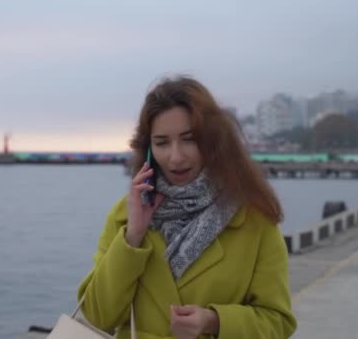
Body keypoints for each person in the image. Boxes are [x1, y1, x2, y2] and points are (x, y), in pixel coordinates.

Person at [77, 76, 297, 338]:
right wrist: (133, 236)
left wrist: (216, 322)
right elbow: (97, 315)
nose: (176, 157)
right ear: (148, 150)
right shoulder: (126, 215)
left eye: (189, 139)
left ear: (212, 140)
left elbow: (278, 322)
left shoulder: (254, 219)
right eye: (162, 143)